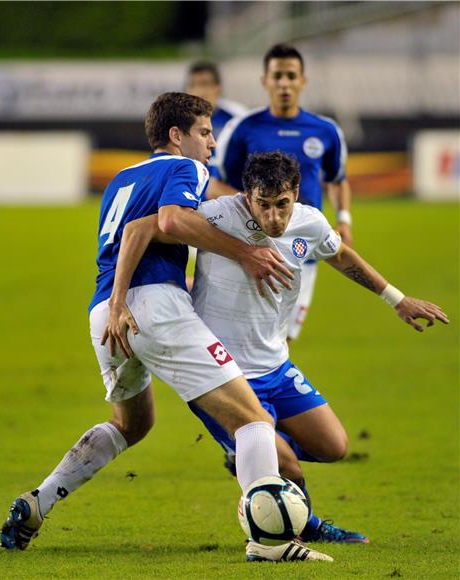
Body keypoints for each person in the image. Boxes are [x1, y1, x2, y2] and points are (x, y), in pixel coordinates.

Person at [0, 93, 331, 564]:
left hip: (106, 314)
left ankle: (39, 502)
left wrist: (116, 302)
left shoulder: (120, 178)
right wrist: (245, 253)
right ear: (176, 136)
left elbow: (132, 232)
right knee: (253, 420)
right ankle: (269, 542)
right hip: (154, 308)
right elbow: (170, 220)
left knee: (133, 424)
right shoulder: (187, 169)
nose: (213, 143)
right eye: (204, 132)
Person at [103, 151, 449, 550]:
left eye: (281, 205)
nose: (272, 218)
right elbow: (140, 228)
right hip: (223, 374)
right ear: (247, 197)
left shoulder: (309, 222)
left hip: (276, 365)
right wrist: (119, 300)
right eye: (262, 205)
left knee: (334, 446)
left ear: (295, 195)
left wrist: (397, 299)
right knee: (287, 467)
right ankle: (303, 523)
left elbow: (340, 255)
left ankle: (248, 454)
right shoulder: (217, 215)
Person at [209, 43, 354, 341]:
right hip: (253, 247)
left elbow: (338, 179)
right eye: (278, 76)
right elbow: (216, 184)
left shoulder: (325, 130)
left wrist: (343, 218)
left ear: (303, 80)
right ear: (265, 81)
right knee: (246, 337)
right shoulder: (242, 129)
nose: (284, 83)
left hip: (304, 250)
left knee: (282, 338)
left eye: (291, 76)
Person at [185, 60, 247, 141]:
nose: (198, 92)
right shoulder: (176, 122)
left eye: (204, 84)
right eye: (193, 85)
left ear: (218, 88)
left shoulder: (237, 117)